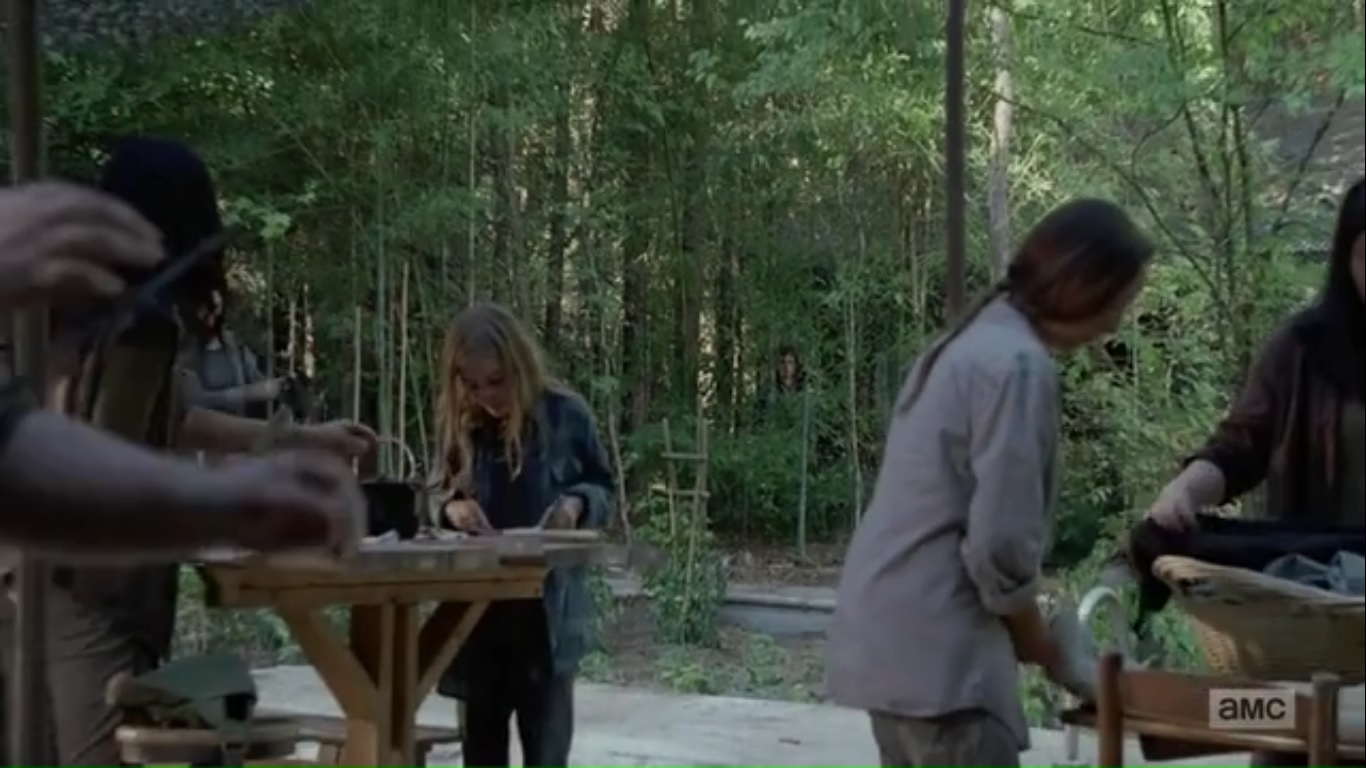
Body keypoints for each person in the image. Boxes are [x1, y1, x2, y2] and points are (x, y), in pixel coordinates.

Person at [42, 135, 376, 767]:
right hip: (88, 589)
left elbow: (171, 419)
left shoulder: (68, 297)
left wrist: (305, 440)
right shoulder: (138, 323)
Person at [825, 199, 1153, 767]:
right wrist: (1050, 648)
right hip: (943, 666)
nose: (1115, 325)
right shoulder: (1016, 364)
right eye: (1118, 305)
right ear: (1083, 288)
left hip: (895, 647)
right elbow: (998, 546)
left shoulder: (972, 343)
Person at [1145, 179, 1363, 768]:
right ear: (1347, 260)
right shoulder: (1301, 350)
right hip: (1308, 609)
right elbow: (1239, 446)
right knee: (1294, 739)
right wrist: (1183, 491)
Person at [430, 302, 614, 767]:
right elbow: (433, 496)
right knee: (481, 754)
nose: (487, 396)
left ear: (520, 364)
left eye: (496, 381)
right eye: (472, 385)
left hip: (546, 622)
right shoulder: (461, 422)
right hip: (476, 620)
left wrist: (575, 505)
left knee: (547, 756)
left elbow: (603, 488)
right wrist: (451, 509)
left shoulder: (567, 415)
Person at [181, 288, 284, 419]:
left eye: (216, 309)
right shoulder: (184, 350)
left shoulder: (234, 343)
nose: (212, 318)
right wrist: (242, 394)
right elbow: (191, 403)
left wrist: (280, 386)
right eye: (205, 310)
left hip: (239, 426)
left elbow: (258, 381)